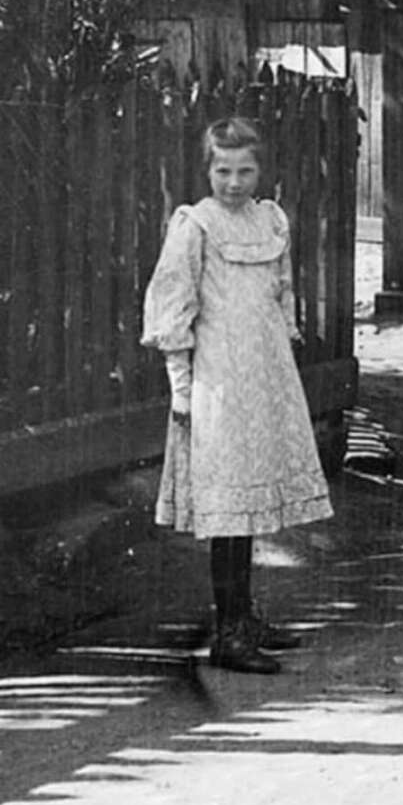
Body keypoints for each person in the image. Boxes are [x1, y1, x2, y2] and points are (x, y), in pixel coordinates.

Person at [142, 116, 333, 674]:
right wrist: (182, 390)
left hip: (264, 377)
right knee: (228, 509)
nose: (233, 182)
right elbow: (174, 309)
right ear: (207, 169)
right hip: (219, 383)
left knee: (249, 506)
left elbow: (279, 293)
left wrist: (280, 363)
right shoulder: (195, 225)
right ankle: (227, 635)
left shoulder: (270, 220)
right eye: (223, 170)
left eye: (244, 170)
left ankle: (244, 616)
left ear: (260, 170)